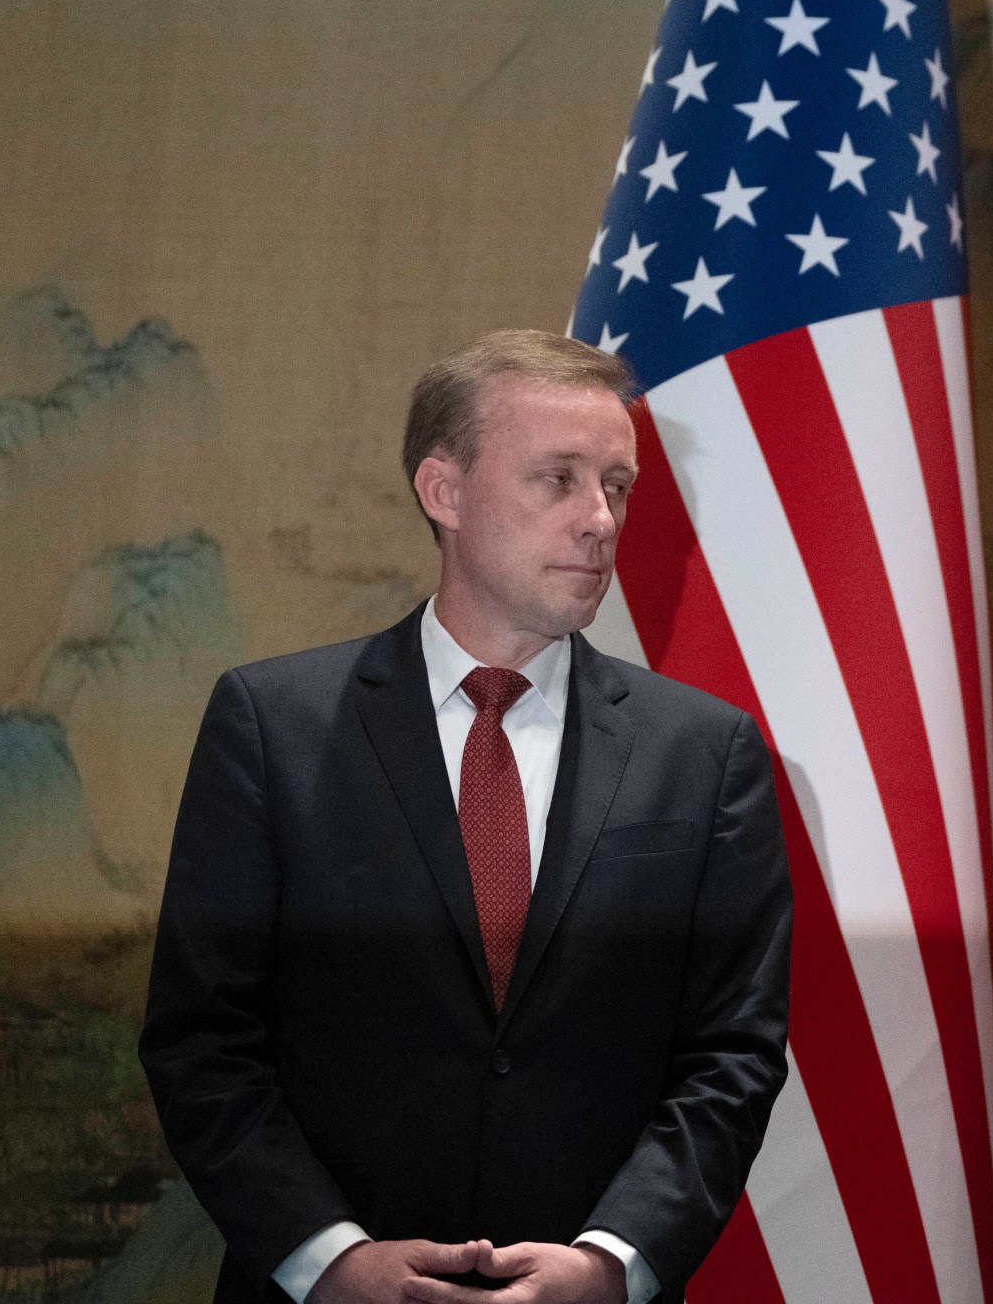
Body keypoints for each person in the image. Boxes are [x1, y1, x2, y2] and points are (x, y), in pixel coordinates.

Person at [141, 330, 791, 1304]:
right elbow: (203, 1039)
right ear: (443, 492)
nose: (601, 519)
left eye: (618, 484)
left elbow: (730, 1052)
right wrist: (330, 1259)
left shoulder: (707, 754)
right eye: (558, 479)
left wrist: (614, 1263)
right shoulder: (272, 727)